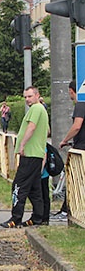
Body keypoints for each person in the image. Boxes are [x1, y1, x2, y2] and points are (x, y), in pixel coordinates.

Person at [1, 86, 49, 228]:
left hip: (30, 154)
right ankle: (37, 217)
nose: (27, 99)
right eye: (25, 97)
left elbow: (32, 127)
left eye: (29, 96)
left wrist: (22, 144)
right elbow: (46, 130)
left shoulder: (36, 109)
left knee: (18, 186)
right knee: (35, 188)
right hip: (36, 154)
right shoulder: (42, 110)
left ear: (37, 95)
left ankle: (15, 218)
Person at [55, 80, 85, 219]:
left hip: (81, 149)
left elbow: (77, 126)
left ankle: (67, 211)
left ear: (72, 91)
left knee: (74, 180)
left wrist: (65, 140)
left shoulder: (80, 105)